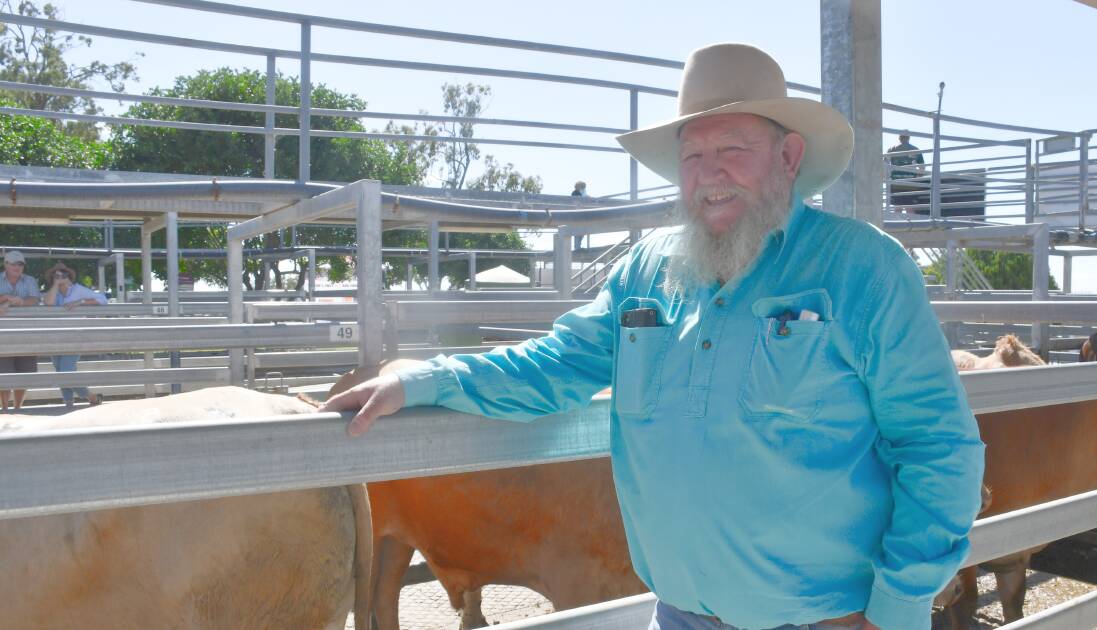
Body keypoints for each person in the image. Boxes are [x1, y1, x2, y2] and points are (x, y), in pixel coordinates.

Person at [324, 43, 984, 630]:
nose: (709, 173)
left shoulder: (862, 268)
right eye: (693, 154)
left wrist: (895, 613)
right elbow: (555, 364)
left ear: (788, 155)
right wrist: (423, 380)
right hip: (678, 614)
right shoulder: (648, 268)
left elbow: (939, 449)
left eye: (733, 149)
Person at [42, 262, 106, 406]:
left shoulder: (78, 290)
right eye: (56, 274)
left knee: (65, 371)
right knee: (60, 371)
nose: (59, 276)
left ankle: (91, 397)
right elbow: (48, 304)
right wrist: (56, 285)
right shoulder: (53, 291)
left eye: (62, 274)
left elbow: (103, 299)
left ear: (68, 275)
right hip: (55, 338)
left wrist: (81, 302)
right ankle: (68, 402)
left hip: (74, 337)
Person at [0, 250, 42, 411]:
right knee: (3, 373)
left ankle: (18, 408)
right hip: (2, 334)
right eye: (13, 263)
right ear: (6, 264)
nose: (16, 267)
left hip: (27, 333)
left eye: (20, 264)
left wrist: (18, 302)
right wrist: (7, 298)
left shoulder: (30, 280)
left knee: (25, 373)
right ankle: (4, 410)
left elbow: (34, 300)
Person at [886, 133, 925, 213]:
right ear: (908, 138)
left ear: (899, 138)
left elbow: (884, 165)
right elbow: (922, 168)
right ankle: (911, 225)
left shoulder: (891, 149)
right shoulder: (915, 149)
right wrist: (918, 176)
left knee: (897, 209)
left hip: (896, 183)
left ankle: (896, 224)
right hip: (911, 183)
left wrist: (887, 177)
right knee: (910, 209)